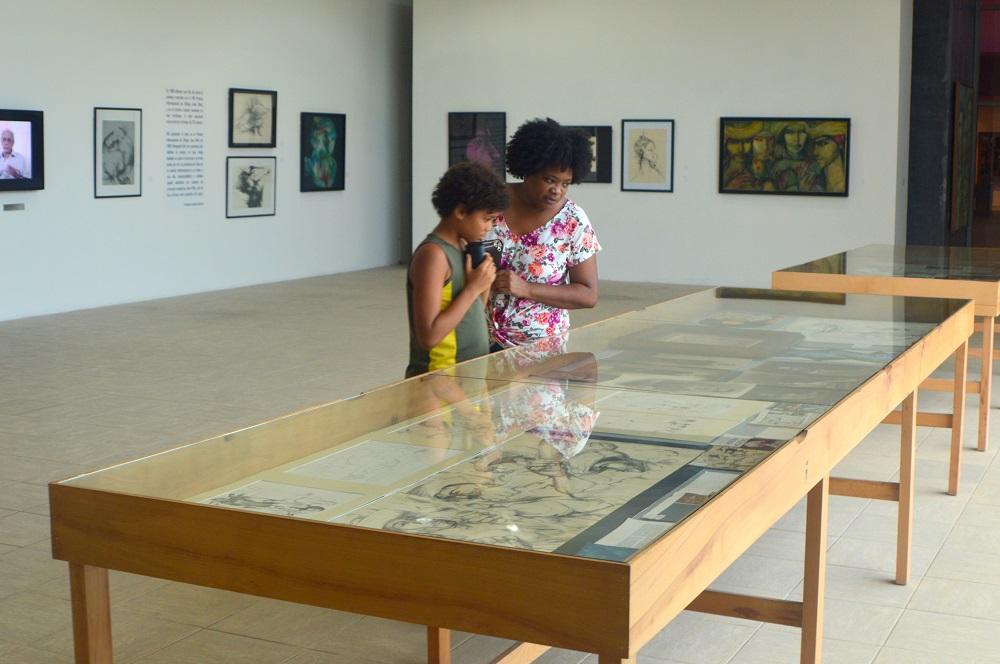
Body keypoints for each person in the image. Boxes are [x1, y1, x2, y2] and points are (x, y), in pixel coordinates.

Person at [486, 118, 601, 349]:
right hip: (480, 343)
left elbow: (588, 294)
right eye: (550, 180)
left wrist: (527, 289)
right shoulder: (490, 202)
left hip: (540, 352)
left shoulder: (572, 221)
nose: (557, 190)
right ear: (528, 170)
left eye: (565, 183)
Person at [406, 160, 511, 377]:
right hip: (439, 382)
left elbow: (472, 313)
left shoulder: (465, 247)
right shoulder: (434, 255)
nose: (489, 227)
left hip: (468, 377)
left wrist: (484, 283)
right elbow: (428, 337)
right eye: (486, 219)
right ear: (461, 211)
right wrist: (473, 288)